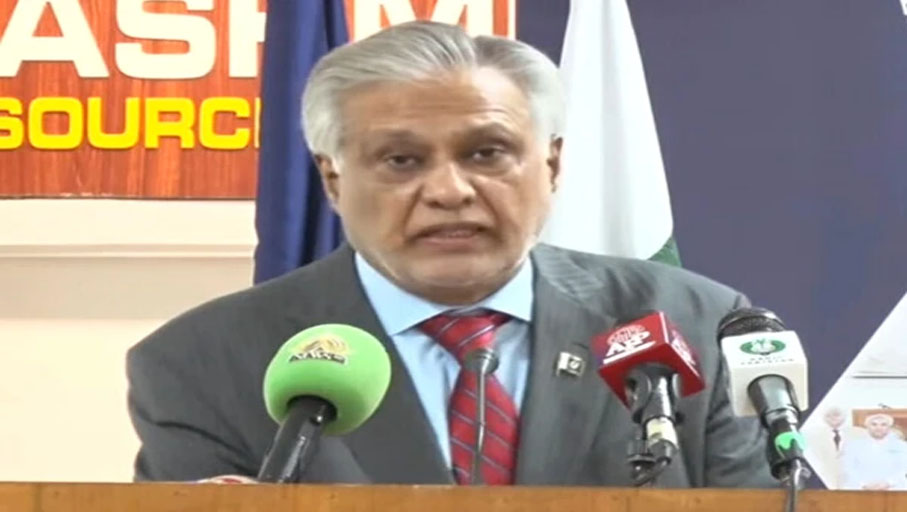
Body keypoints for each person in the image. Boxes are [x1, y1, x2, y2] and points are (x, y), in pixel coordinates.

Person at [126, 20, 774, 487]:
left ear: (551, 165)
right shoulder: (205, 362)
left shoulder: (690, 323)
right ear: (333, 179)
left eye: (486, 153)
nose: (448, 191)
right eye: (401, 160)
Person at [840, 413, 907, 490]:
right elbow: (848, 468)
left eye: (883, 425)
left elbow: (903, 469)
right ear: (867, 427)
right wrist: (864, 484)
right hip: (860, 488)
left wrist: (888, 482)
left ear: (889, 428)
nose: (878, 428)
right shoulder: (853, 445)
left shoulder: (902, 446)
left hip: (894, 488)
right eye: (874, 424)